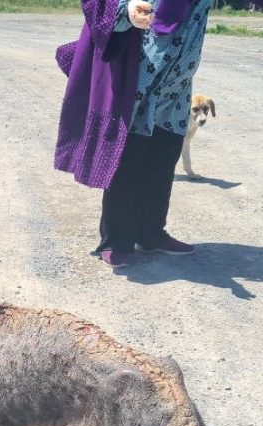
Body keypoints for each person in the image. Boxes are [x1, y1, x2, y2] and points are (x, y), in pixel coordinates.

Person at [55, 0, 210, 268]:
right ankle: (116, 240)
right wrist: (124, 9)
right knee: (128, 156)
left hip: (177, 81)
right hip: (138, 72)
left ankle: (150, 234)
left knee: (164, 154)